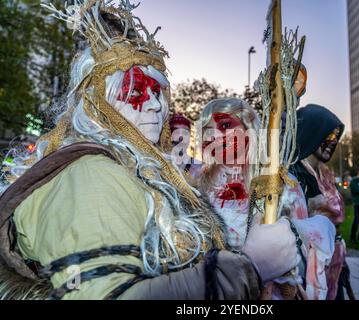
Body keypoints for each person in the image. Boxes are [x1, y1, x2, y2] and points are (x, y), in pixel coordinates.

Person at [0, 0, 299, 300]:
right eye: (139, 90)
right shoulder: (92, 176)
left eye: (159, 92)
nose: (156, 105)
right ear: (99, 100)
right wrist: (251, 266)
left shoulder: (133, 171)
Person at [197, 98, 337, 300]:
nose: (214, 136)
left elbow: (300, 254)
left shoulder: (282, 184)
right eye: (207, 130)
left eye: (225, 125)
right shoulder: (196, 185)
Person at [290, 104, 354, 300]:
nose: (333, 141)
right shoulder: (294, 174)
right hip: (307, 266)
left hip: (334, 263)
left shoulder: (325, 174)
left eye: (336, 136)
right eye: (328, 135)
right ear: (312, 131)